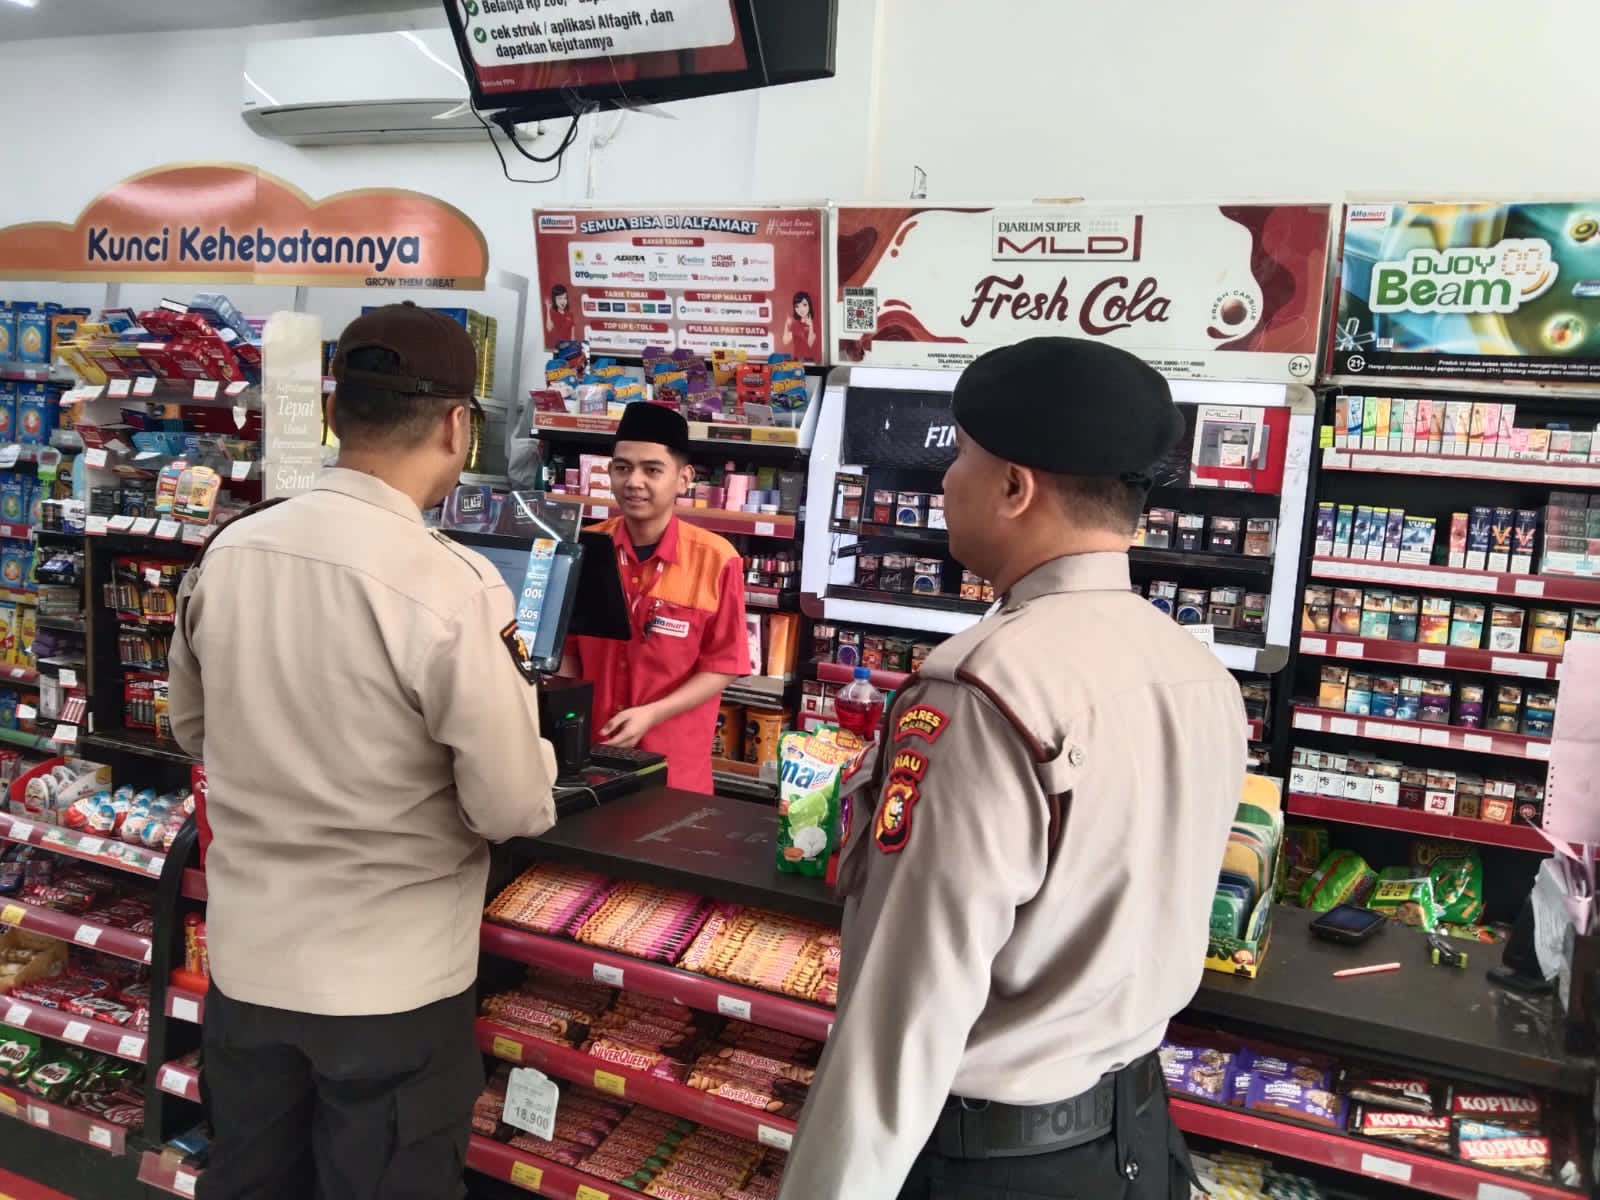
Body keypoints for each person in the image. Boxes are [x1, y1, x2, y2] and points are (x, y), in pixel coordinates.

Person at [777, 337, 1248, 1200]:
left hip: (994, 1161)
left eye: (960, 456)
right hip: (1138, 1140)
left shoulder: (983, 687)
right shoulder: (1196, 668)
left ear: (1013, 487)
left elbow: (904, 1012)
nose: (946, 483)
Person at [168, 302, 560, 1200]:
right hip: (389, 989)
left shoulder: (229, 552)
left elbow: (193, 732)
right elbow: (510, 806)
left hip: (250, 970)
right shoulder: (455, 587)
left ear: (334, 412)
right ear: (458, 425)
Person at [562, 402, 748, 792]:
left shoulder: (717, 560)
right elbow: (568, 652)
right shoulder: (586, 548)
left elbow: (724, 665)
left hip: (674, 770)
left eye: (652, 470)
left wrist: (653, 713)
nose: (633, 482)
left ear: (683, 479)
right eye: (622, 467)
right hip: (589, 760)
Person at [782, 291, 818, 360]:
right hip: (797, 358)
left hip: (810, 358)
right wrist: (786, 325)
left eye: (804, 305)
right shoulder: (796, 323)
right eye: (797, 306)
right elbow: (785, 341)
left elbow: (810, 343)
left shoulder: (814, 323)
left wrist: (811, 326)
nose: (801, 309)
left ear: (809, 305)